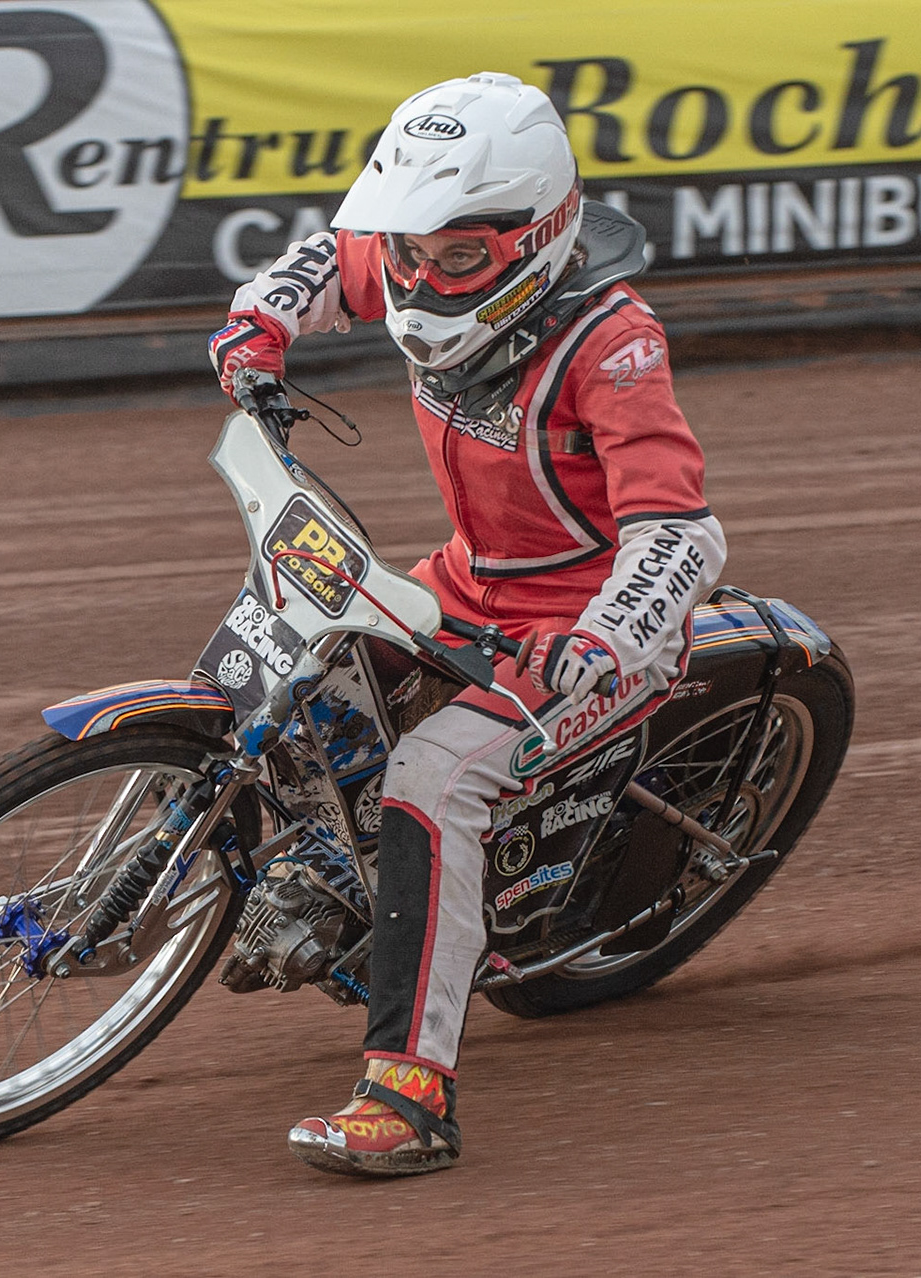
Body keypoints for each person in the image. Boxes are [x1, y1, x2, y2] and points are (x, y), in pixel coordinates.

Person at [209, 72, 726, 1177]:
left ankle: (409, 1097)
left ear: (536, 238)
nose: (419, 277)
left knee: (433, 779)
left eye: (457, 261)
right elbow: (321, 264)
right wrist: (255, 331)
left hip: (583, 628)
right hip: (468, 578)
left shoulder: (613, 344)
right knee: (304, 670)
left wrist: (600, 644)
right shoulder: (413, 256)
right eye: (411, 253)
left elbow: (681, 534)